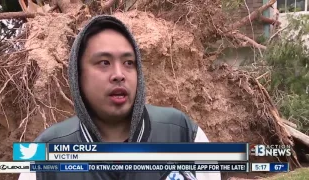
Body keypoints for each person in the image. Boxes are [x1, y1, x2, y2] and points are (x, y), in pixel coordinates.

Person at [18, 15, 221, 180]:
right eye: (104, 62)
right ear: (78, 75)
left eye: (128, 63)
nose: (119, 74)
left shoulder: (182, 133)